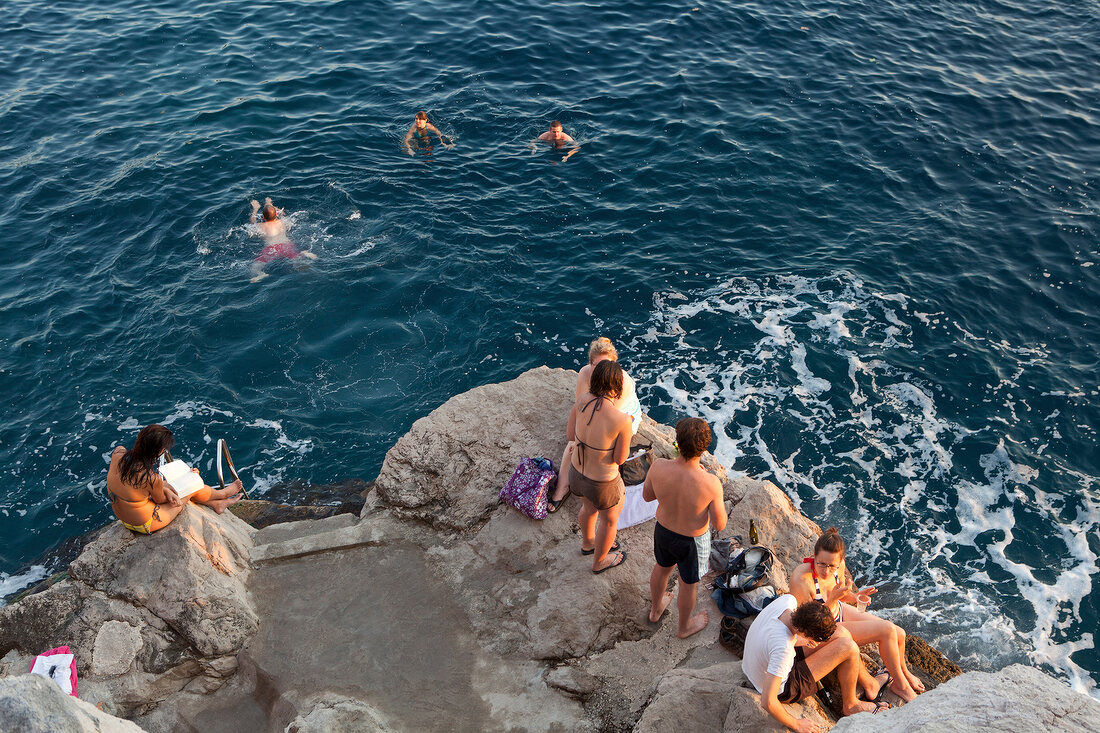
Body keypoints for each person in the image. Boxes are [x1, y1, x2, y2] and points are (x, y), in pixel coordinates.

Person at [790, 528, 925, 702]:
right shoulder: (802, 580)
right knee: (887, 631)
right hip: (820, 629)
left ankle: (903, 672)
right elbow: (805, 629)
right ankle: (900, 685)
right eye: (821, 564)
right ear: (814, 556)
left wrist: (855, 596)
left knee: (899, 632)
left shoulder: (837, 566)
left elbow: (839, 594)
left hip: (837, 611)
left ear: (839, 562)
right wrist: (831, 601)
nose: (826, 571)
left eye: (832, 566)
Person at [742, 596, 890, 733]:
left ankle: (870, 685)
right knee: (849, 648)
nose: (819, 644)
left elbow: (791, 633)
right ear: (805, 632)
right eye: (817, 639)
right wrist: (796, 724)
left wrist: (807, 639)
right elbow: (768, 701)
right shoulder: (783, 649)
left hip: (758, 657)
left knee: (841, 632)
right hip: (782, 687)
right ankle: (851, 705)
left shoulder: (788, 601)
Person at [642, 417, 727, 638]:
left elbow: (647, 496)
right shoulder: (710, 483)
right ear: (704, 448)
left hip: (663, 531)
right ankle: (683, 628)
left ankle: (655, 609)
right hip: (692, 542)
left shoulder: (659, 466)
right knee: (688, 585)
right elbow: (719, 523)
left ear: (677, 443)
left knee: (661, 568)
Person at [548, 338, 642, 513]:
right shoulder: (585, 373)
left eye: (605, 365)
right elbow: (581, 409)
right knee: (574, 443)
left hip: (620, 415)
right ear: (590, 364)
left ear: (614, 364)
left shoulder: (624, 382)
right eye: (595, 365)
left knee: (593, 444)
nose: (600, 370)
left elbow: (609, 416)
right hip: (598, 411)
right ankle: (562, 487)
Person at [107, 424, 244, 534]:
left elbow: (140, 487)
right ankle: (222, 494)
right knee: (191, 488)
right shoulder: (149, 478)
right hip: (145, 523)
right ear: (157, 452)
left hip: (124, 518)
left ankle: (216, 504)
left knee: (180, 485)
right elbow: (161, 500)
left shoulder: (118, 453)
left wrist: (167, 486)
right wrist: (185, 482)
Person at [566, 360, 632, 573]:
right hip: (602, 484)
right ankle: (599, 562)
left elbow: (570, 435)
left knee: (588, 508)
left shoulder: (582, 400)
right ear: (617, 386)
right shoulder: (622, 419)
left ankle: (588, 544)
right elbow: (620, 459)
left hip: (576, 475)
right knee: (609, 521)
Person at [249, 197, 317, 282]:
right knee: (297, 261)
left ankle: (261, 274)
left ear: (263, 217)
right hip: (286, 245)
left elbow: (252, 222)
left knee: (255, 267)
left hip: (271, 249)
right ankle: (303, 253)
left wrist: (255, 209)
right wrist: (270, 204)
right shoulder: (282, 222)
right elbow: (282, 213)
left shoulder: (262, 226)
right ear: (276, 214)